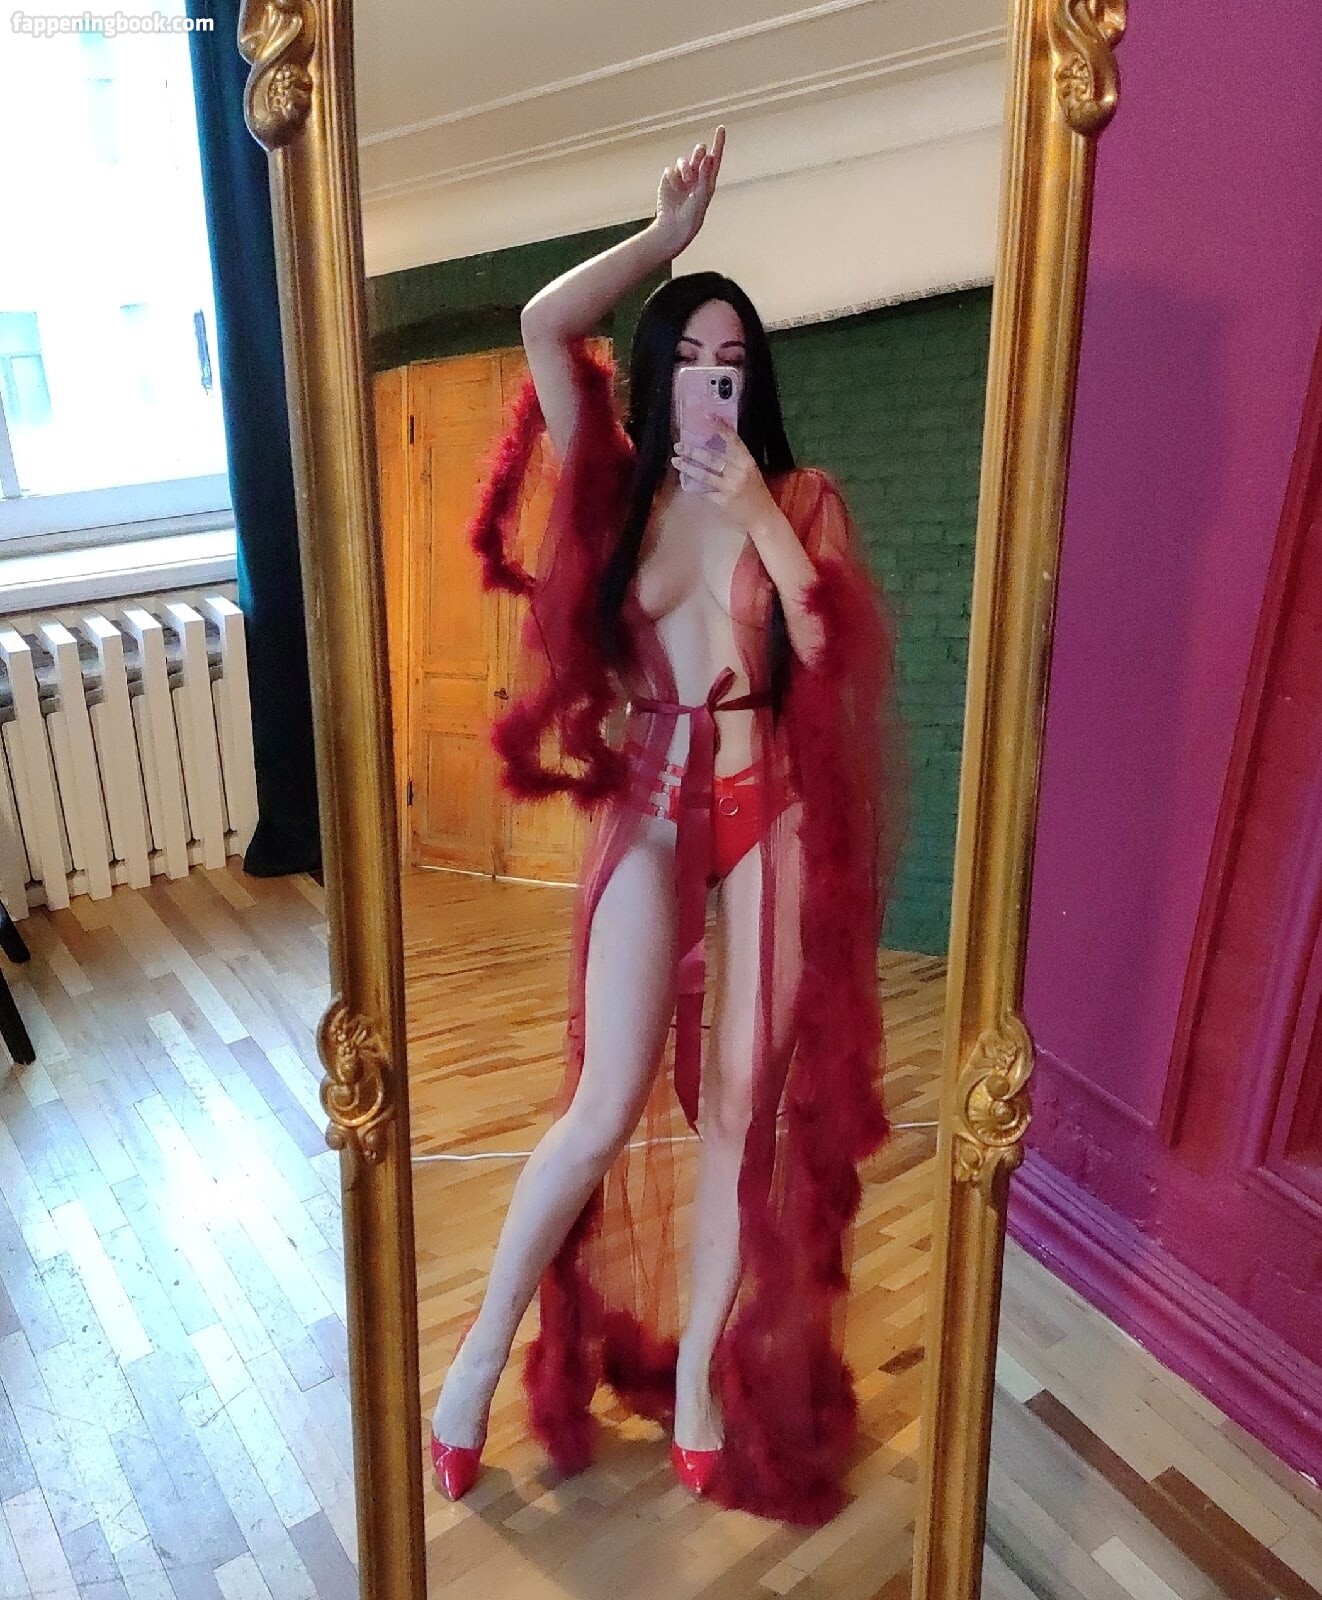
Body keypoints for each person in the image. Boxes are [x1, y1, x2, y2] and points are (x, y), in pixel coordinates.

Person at [429, 126, 907, 1526]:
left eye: (734, 361)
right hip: (645, 809)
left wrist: (757, 510)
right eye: (691, 357)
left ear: (756, 383)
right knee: (598, 1107)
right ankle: (472, 1366)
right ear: (659, 372)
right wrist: (661, 243)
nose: (713, 379)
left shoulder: (798, 498)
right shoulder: (613, 476)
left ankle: (700, 1378)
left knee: (739, 1121)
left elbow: (825, 646)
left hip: (768, 811)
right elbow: (543, 323)